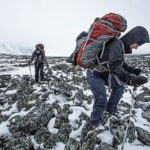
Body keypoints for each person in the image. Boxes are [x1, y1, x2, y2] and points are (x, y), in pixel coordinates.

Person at [86, 26, 149, 128]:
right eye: (138, 43)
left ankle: (111, 110)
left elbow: (120, 62)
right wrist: (130, 79)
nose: (137, 47)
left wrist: (132, 70)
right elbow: (114, 65)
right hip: (94, 73)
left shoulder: (120, 45)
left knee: (119, 87)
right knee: (101, 99)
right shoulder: (117, 43)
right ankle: (94, 123)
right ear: (134, 38)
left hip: (104, 72)